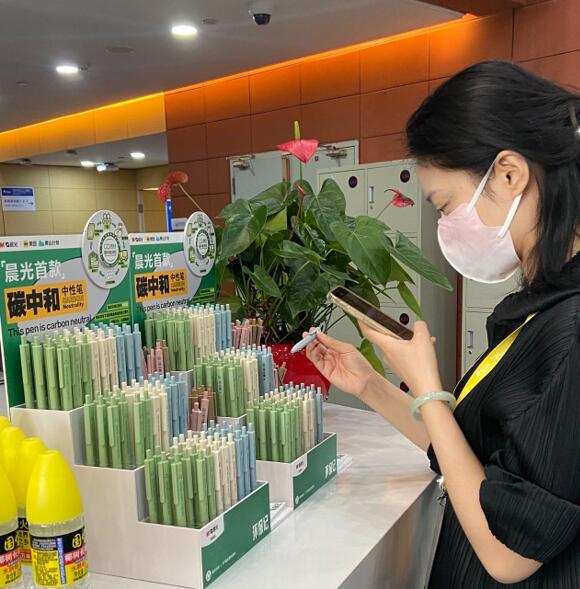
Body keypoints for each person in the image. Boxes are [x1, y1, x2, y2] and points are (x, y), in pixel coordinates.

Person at [306, 60, 580, 588]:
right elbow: (470, 459)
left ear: (509, 173)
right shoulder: (542, 306)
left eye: (446, 205)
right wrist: (371, 386)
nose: (446, 226)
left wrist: (430, 389)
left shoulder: (570, 330)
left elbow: (511, 554)